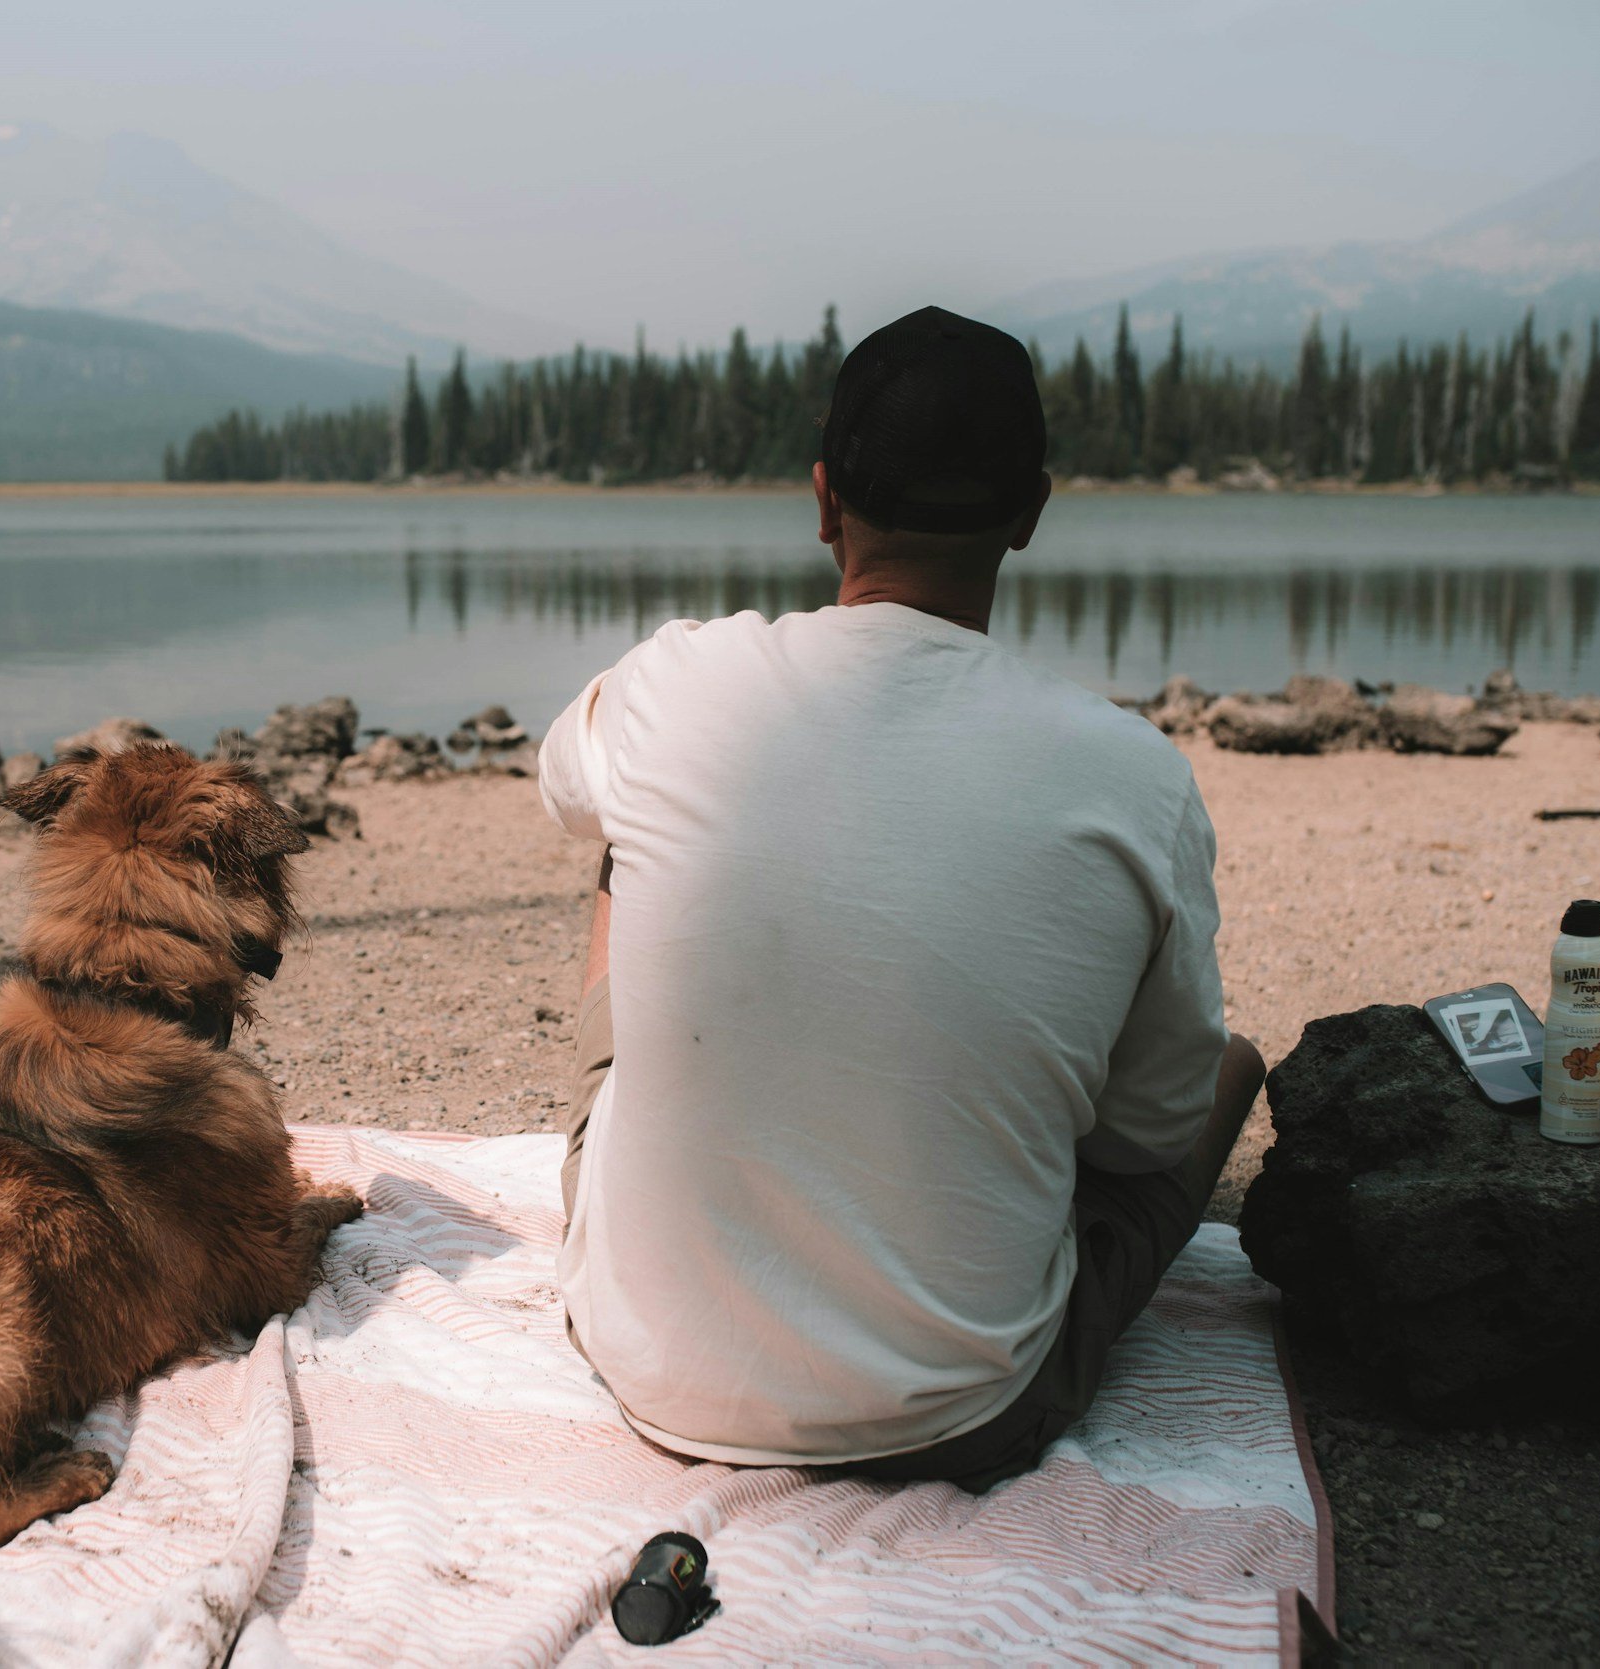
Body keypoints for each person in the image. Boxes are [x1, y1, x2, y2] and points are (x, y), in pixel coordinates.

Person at [537, 306, 1265, 1491]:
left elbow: (560, 785)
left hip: (646, 1362)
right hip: (954, 1412)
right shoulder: (1135, 777)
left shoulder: (675, 679)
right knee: (1226, 1067)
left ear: (824, 500)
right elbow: (1141, 1137)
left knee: (625, 833)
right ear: (1031, 512)